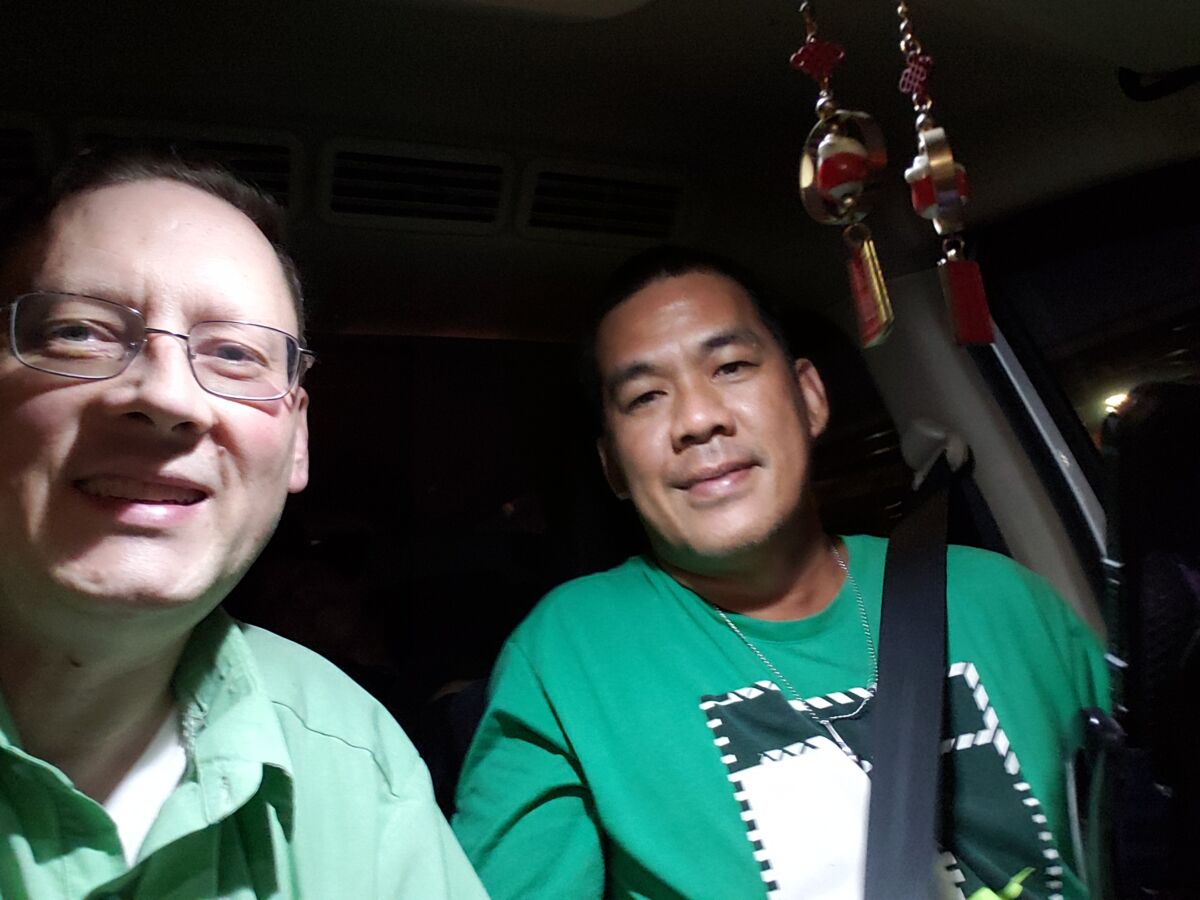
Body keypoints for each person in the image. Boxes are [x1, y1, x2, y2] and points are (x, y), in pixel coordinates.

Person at [453, 246, 1108, 899]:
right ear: (614, 467)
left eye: (731, 367)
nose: (698, 419)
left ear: (810, 396)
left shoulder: (1001, 599)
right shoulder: (569, 658)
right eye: (646, 396)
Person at [0, 148, 486, 898]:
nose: (168, 396)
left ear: (298, 442)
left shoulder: (355, 753)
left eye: (234, 353)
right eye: (80, 332)